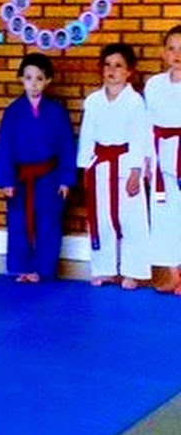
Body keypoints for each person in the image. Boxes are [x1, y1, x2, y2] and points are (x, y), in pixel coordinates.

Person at [0, 53, 76, 282]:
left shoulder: (57, 112)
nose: (34, 84)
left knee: (48, 222)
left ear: (48, 81)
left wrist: (66, 180)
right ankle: (22, 268)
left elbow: (67, 147)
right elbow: (5, 146)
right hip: (20, 178)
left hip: (50, 176)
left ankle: (43, 269)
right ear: (21, 79)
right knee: (18, 222)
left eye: (39, 78)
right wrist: (6, 180)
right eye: (28, 78)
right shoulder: (12, 112)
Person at [78, 42, 152, 288]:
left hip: (126, 164)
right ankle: (104, 269)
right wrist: (85, 167)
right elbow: (87, 135)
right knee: (101, 219)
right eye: (107, 65)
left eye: (118, 65)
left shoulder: (135, 102)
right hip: (100, 165)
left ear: (129, 71)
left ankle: (133, 271)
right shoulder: (93, 101)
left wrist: (136, 171)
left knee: (132, 220)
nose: (112, 70)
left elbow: (139, 137)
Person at [147, 25, 181, 294]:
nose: (177, 55)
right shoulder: (154, 85)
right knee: (164, 217)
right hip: (161, 158)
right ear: (163, 53)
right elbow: (146, 124)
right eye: (171, 49)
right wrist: (147, 160)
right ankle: (171, 273)